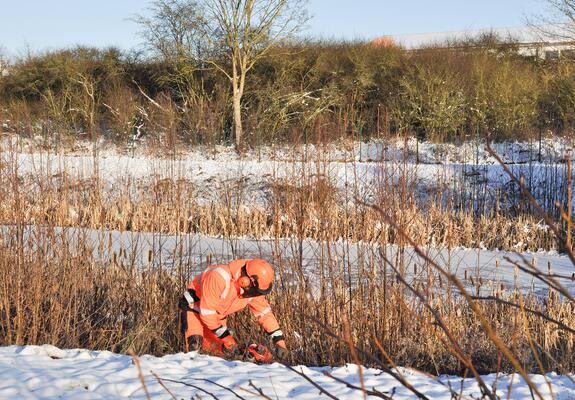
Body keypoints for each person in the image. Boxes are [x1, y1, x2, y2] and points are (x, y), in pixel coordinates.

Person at [178, 258, 288, 360]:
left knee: (219, 355)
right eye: (256, 291)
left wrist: (280, 341)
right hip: (193, 310)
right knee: (194, 350)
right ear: (246, 281)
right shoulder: (219, 277)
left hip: (216, 318)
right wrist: (226, 338)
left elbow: (264, 314)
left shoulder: (252, 291)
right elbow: (207, 313)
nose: (256, 295)